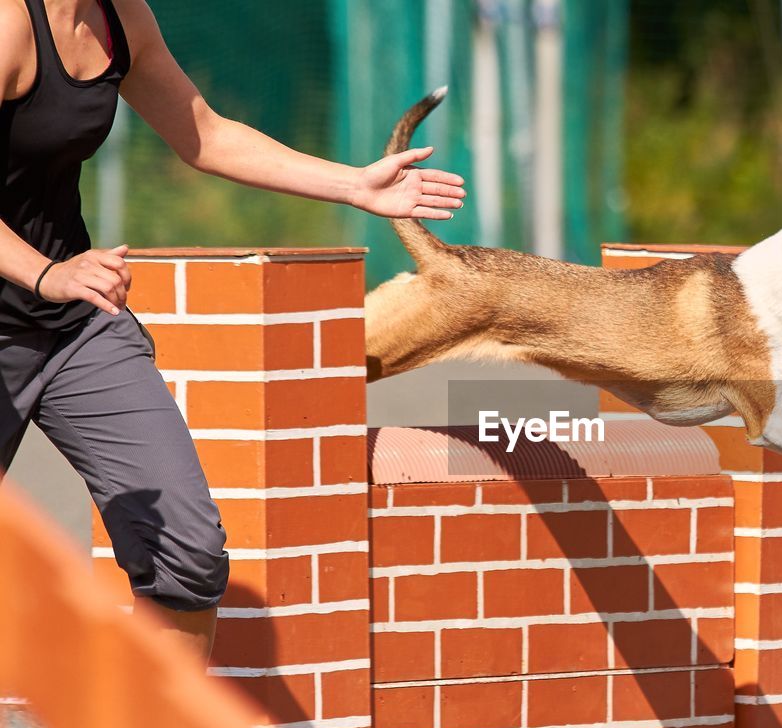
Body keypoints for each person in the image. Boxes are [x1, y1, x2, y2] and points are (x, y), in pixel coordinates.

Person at [0, 2, 463, 664]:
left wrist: (356, 186)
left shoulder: (119, 19)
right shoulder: (9, 26)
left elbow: (206, 136)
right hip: (46, 289)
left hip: (71, 324)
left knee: (184, 556)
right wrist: (45, 273)